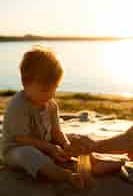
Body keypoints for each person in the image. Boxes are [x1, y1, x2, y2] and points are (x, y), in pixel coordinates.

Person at [2, 46, 82, 187]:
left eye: (54, 88)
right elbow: (21, 138)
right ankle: (64, 175)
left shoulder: (51, 105)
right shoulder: (18, 105)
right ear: (25, 84)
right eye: (44, 90)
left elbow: (56, 132)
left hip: (44, 145)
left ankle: (95, 161)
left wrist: (65, 144)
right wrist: (50, 148)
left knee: (75, 140)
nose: (50, 94)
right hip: (16, 149)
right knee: (28, 154)